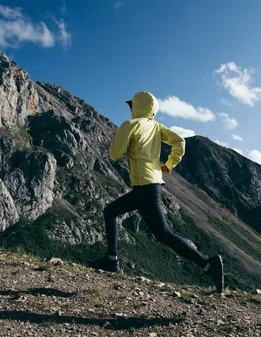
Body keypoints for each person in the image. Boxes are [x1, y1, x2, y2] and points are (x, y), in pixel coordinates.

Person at [91, 91, 224, 293]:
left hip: (145, 187)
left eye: (131, 106)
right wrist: (169, 164)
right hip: (150, 185)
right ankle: (111, 259)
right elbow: (180, 141)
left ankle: (207, 264)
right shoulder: (157, 127)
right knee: (111, 212)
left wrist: (122, 138)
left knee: (163, 234)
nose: (130, 109)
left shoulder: (130, 125)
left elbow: (115, 154)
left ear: (137, 107)